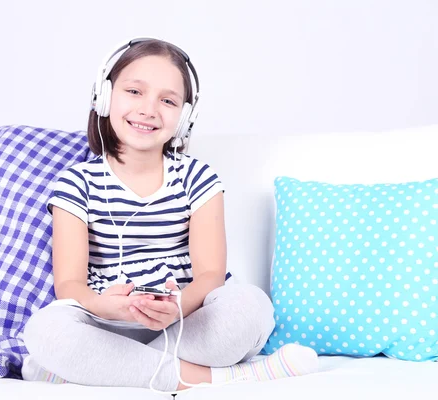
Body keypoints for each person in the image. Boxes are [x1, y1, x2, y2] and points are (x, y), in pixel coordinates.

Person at [22, 37, 318, 392]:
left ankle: (104, 369)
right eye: (134, 92)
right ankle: (223, 378)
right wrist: (107, 307)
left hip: (184, 322)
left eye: (167, 100)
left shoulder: (198, 178)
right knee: (44, 330)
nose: (149, 109)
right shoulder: (76, 183)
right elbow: (69, 285)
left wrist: (178, 306)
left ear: (185, 117)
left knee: (251, 306)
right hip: (107, 324)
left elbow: (211, 273)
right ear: (104, 96)